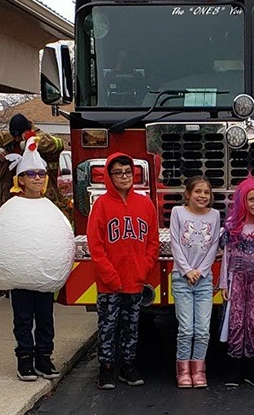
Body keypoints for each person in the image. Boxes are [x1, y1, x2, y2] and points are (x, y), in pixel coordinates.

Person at [86, 152, 159, 390]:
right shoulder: (101, 205)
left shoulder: (145, 204)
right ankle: (106, 368)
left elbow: (152, 241)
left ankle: (127, 366)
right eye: (118, 173)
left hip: (135, 280)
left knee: (132, 326)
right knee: (107, 326)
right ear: (110, 176)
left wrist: (145, 267)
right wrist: (109, 275)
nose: (124, 176)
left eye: (128, 172)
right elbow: (95, 245)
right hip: (109, 282)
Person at [4, 137, 61, 382]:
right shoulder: (12, 207)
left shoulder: (50, 207)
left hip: (44, 274)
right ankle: (25, 359)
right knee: (23, 319)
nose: (37, 178)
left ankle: (44, 358)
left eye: (40, 174)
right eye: (31, 174)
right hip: (21, 277)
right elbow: (3, 239)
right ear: (21, 180)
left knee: (46, 318)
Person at [218, 177, 254, 387]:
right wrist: (224, 283)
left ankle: (253, 368)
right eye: (250, 199)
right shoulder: (232, 227)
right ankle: (234, 369)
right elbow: (226, 257)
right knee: (235, 321)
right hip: (237, 279)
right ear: (242, 201)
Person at [169, 176, 220, 388]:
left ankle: (199, 371)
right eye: (198, 191)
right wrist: (187, 270)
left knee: (202, 329)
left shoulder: (215, 215)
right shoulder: (177, 213)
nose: (202, 196)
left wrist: (201, 271)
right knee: (186, 328)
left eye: (206, 192)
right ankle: (183, 371)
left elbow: (214, 244)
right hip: (182, 278)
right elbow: (174, 242)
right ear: (187, 194)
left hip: (204, 279)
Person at [0, 113, 65, 205]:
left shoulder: (42, 138)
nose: (16, 139)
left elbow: (59, 144)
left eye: (18, 136)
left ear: (26, 131)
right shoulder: (10, 138)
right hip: (11, 197)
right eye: (14, 136)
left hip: (40, 198)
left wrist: (30, 143)